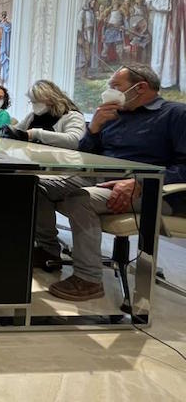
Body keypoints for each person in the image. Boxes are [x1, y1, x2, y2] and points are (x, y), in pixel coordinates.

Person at [34, 65, 186, 301]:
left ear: (141, 87)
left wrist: (140, 182)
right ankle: (47, 250)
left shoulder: (175, 114)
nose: (109, 91)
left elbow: (184, 167)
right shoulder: (113, 115)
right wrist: (94, 128)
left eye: (116, 86)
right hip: (101, 179)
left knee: (80, 199)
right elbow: (85, 156)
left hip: (154, 190)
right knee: (36, 187)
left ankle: (88, 280)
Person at [0, 80, 85, 149]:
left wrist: (35, 134)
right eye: (32, 101)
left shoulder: (72, 116)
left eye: (37, 101)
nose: (34, 104)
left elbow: (75, 141)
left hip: (59, 163)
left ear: (51, 100)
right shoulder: (32, 116)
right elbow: (17, 131)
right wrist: (8, 131)